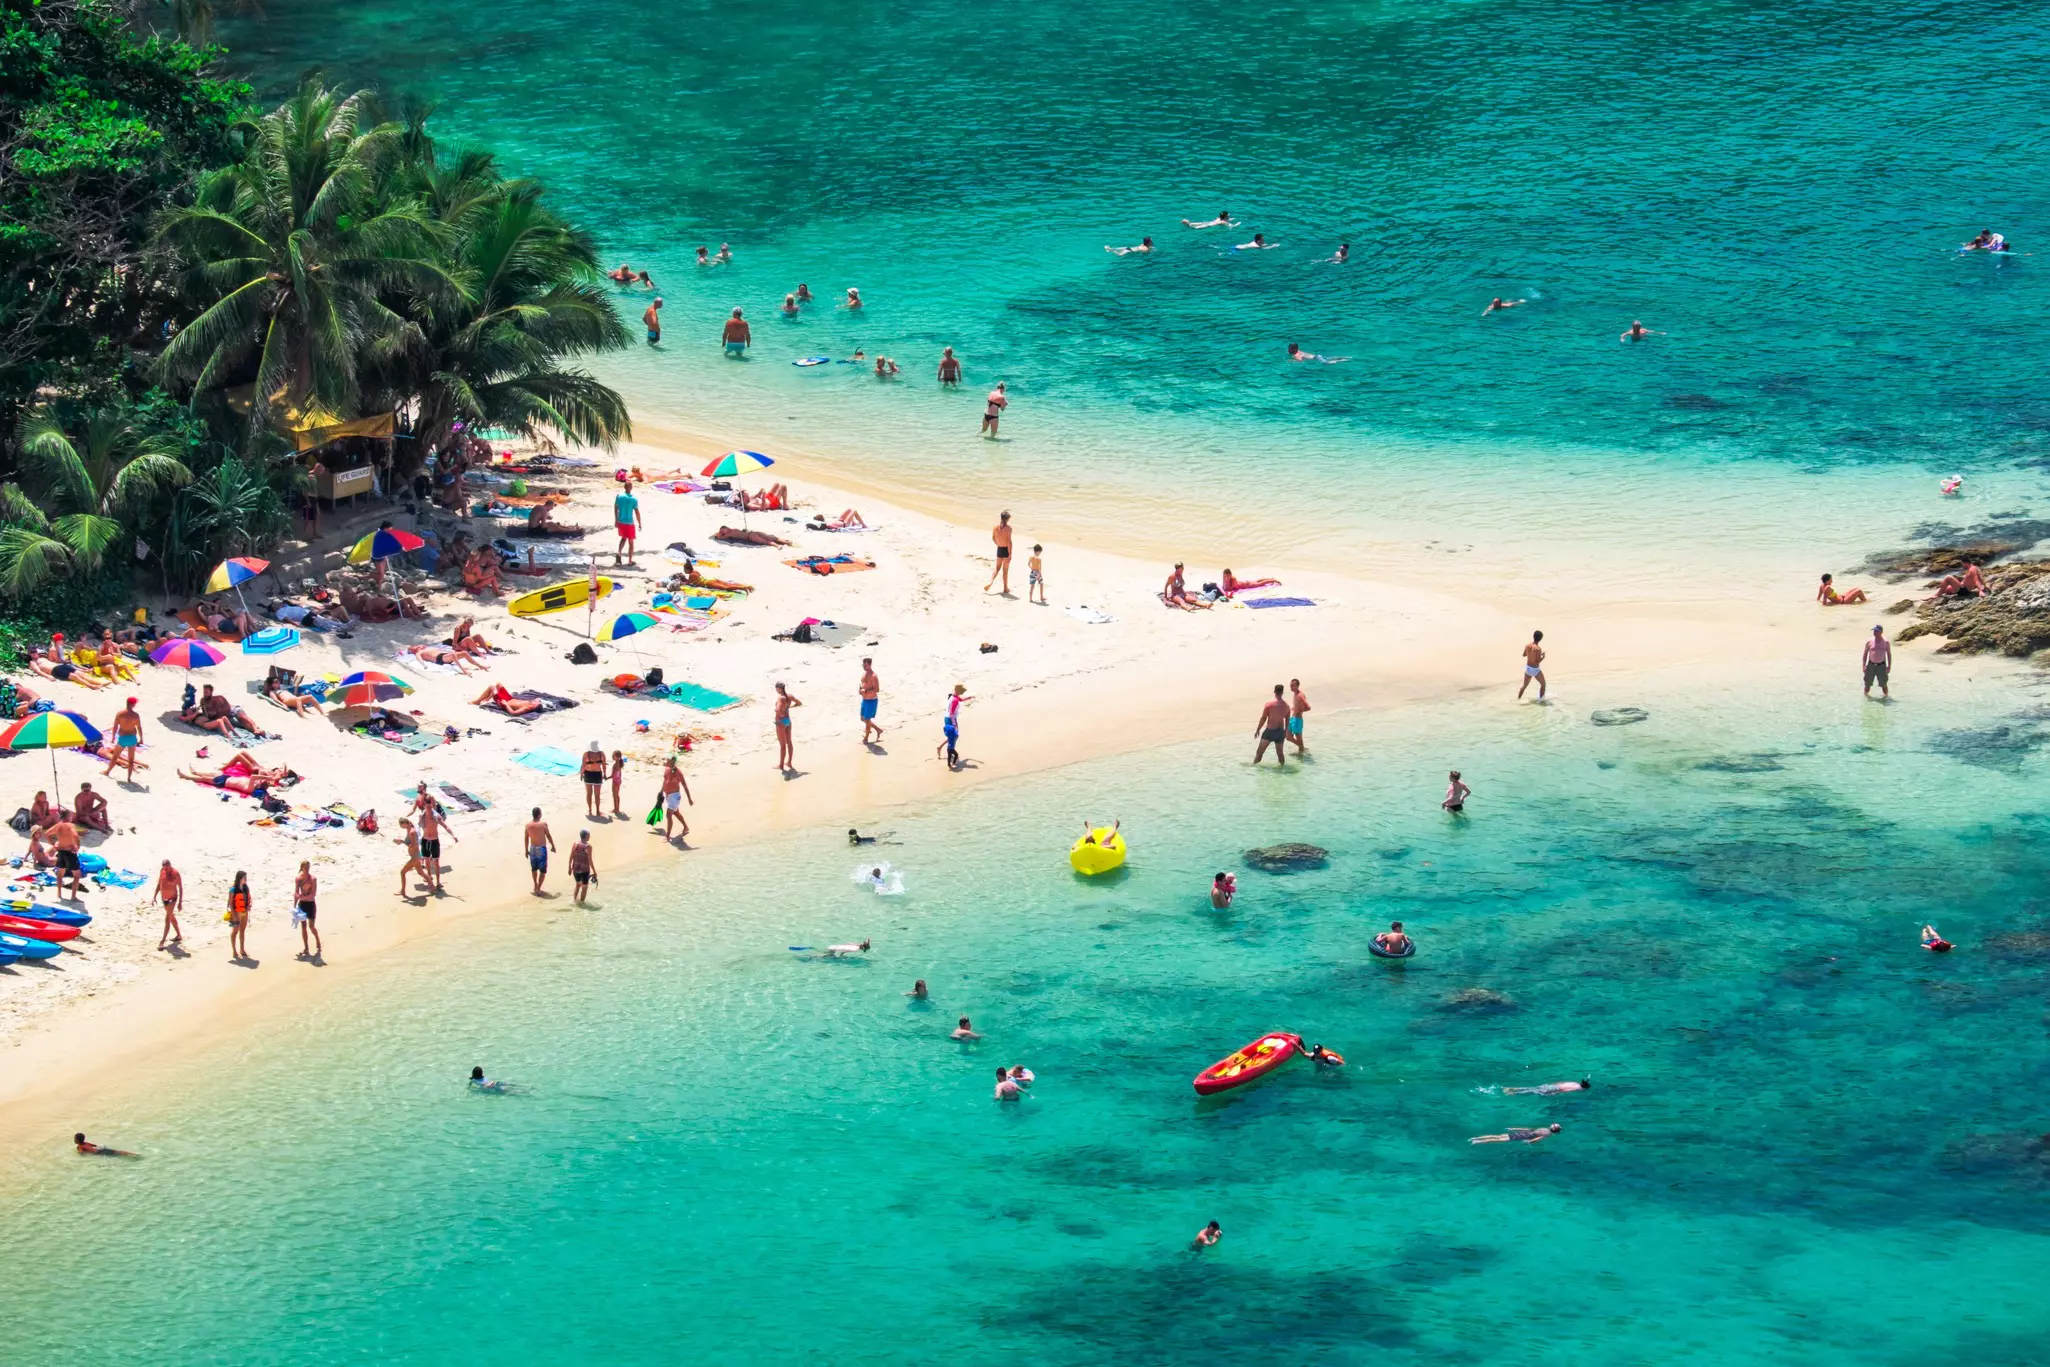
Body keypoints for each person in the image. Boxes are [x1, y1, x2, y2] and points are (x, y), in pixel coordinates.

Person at [101, 695, 143, 781]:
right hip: (132, 738)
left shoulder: (120, 714)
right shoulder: (135, 715)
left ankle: (107, 771)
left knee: (115, 757)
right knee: (131, 760)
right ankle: (129, 778)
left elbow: (115, 727)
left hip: (123, 738)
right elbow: (139, 727)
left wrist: (113, 737)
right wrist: (141, 739)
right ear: (133, 704)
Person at [419, 800, 456, 894]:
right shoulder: (422, 816)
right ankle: (429, 877)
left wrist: (453, 835)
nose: (429, 808)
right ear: (424, 806)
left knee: (436, 862)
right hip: (425, 840)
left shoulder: (436, 816)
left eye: (430, 806)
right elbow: (419, 827)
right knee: (427, 860)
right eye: (427, 807)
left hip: (434, 841)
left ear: (432, 806)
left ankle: (438, 881)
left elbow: (445, 826)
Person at [1254, 684, 1291, 767]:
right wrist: (1286, 732)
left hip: (1270, 732)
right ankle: (1282, 768)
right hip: (1280, 732)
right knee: (1280, 754)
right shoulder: (1287, 706)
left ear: (1274, 692)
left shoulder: (1269, 704)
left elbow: (1263, 718)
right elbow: (1287, 721)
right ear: (1282, 692)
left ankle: (1253, 767)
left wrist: (1258, 730)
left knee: (1259, 752)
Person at [152, 858, 183, 949]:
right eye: (164, 868)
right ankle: (179, 935)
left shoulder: (176, 874)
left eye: (167, 868)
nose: (166, 870)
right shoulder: (162, 871)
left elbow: (180, 888)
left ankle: (162, 941)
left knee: (167, 919)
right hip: (164, 898)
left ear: (170, 865)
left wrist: (180, 902)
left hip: (172, 899)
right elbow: (159, 884)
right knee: (171, 916)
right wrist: (154, 896)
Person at [292, 860, 321, 959]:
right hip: (302, 905)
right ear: (301, 868)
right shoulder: (298, 879)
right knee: (303, 927)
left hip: (311, 904)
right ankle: (306, 948)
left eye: (308, 868)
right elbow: (296, 893)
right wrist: (294, 907)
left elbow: (313, 894)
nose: (307, 870)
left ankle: (317, 940)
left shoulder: (313, 879)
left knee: (311, 926)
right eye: (305, 868)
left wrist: (301, 897)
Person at [395, 817, 429, 898]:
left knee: (402, 872)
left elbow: (413, 846)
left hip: (415, 857)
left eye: (401, 825)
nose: (401, 827)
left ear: (405, 823)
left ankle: (403, 891)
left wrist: (402, 842)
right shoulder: (410, 826)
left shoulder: (412, 831)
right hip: (416, 856)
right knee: (421, 873)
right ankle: (432, 887)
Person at [939, 684, 971, 769]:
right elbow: (952, 713)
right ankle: (950, 753)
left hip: (946, 717)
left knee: (952, 736)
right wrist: (955, 725)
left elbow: (961, 699)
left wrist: (969, 698)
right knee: (954, 735)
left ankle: (941, 747)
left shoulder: (953, 697)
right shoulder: (955, 700)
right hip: (951, 718)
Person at [659, 756, 693, 838]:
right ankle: (686, 827)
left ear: (672, 761)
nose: (666, 760)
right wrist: (661, 791)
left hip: (675, 796)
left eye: (668, 759)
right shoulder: (667, 769)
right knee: (676, 813)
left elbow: (684, 785)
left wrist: (689, 799)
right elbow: (665, 780)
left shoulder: (678, 772)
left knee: (668, 815)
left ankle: (667, 836)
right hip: (668, 796)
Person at [524, 807, 556, 893]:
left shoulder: (528, 826)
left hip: (533, 848)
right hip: (541, 849)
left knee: (534, 869)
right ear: (539, 814)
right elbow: (548, 835)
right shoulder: (543, 824)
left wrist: (526, 850)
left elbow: (526, 838)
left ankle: (535, 885)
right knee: (543, 870)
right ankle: (538, 887)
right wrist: (553, 845)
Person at [473, 683, 546, 717]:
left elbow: (513, 713)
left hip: (503, 702)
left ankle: (477, 701)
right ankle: (488, 698)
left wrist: (506, 704)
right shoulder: (531, 703)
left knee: (492, 687)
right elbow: (537, 700)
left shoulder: (526, 708)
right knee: (499, 685)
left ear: (534, 706)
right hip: (509, 698)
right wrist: (538, 700)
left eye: (537, 702)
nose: (536, 701)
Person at [984, 511, 1015, 593]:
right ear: (1007, 519)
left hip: (999, 549)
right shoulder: (1008, 528)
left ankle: (990, 582)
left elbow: (993, 538)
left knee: (997, 568)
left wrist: (999, 544)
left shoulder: (995, 527)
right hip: (1006, 550)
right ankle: (1005, 588)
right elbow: (1009, 542)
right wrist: (1010, 553)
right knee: (1005, 571)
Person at [773, 682, 800, 771]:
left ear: (779, 689)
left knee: (782, 745)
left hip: (781, 722)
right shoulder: (789, 696)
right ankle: (789, 762)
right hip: (788, 720)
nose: (776, 690)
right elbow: (799, 703)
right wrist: (788, 708)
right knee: (789, 742)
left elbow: (777, 710)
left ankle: (781, 765)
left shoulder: (781, 698)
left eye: (776, 688)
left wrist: (779, 713)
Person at [614, 480, 642, 567]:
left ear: (624, 487)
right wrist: (640, 523)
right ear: (631, 488)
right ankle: (630, 561)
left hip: (621, 521)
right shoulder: (633, 499)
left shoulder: (619, 496)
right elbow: (637, 512)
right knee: (631, 543)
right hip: (629, 523)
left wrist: (616, 519)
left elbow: (615, 508)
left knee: (623, 538)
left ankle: (619, 552)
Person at [225, 870, 252, 961]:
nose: (246, 879)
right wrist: (234, 915)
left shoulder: (245, 887)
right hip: (237, 912)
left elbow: (249, 897)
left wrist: (249, 905)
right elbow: (230, 904)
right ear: (239, 878)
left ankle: (242, 949)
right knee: (235, 931)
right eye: (244, 878)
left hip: (245, 912)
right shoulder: (233, 889)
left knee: (242, 931)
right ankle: (234, 951)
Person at [1863, 624, 1892, 699]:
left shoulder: (1886, 642)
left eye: (1876, 631)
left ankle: (1886, 698)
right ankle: (1865, 699)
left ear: (1881, 632)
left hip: (1881, 666)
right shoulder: (1869, 641)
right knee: (1867, 684)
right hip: (1871, 665)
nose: (1874, 632)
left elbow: (1889, 654)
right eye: (1874, 631)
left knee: (1884, 684)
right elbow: (1865, 653)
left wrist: (1889, 666)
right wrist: (1864, 665)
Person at [859, 657, 884, 743]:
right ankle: (878, 730)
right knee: (863, 718)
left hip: (871, 701)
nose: (864, 667)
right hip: (864, 700)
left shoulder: (874, 676)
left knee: (867, 719)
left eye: (866, 665)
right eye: (863, 665)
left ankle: (866, 738)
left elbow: (877, 690)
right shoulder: (864, 674)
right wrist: (860, 690)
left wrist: (865, 691)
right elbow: (862, 685)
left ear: (870, 665)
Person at [1517, 630, 1547, 701]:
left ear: (1533, 636)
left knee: (1524, 686)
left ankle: (1518, 699)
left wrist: (1531, 654)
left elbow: (1524, 655)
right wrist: (1543, 657)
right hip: (1535, 669)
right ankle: (1541, 701)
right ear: (1540, 639)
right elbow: (1537, 661)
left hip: (1528, 668)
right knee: (1543, 684)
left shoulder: (1527, 645)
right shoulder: (1538, 649)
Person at [570, 830, 598, 904]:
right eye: (589, 835)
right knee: (584, 888)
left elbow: (571, 856)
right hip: (584, 870)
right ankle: (582, 903)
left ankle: (574, 901)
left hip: (575, 869)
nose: (589, 836)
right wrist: (594, 872)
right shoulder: (588, 846)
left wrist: (569, 867)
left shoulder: (575, 844)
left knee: (578, 885)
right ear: (586, 836)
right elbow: (590, 860)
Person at [580, 741, 607, 817]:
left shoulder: (586, 754)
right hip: (598, 774)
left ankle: (590, 810)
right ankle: (598, 811)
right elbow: (604, 765)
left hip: (588, 774)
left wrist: (581, 774)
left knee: (589, 793)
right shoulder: (601, 754)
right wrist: (605, 774)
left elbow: (583, 765)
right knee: (597, 795)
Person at [1471, 1124, 1561, 1145]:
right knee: (1497, 1140)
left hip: (1520, 1133)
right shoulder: (1548, 1134)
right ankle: (1476, 1141)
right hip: (1520, 1136)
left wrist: (1513, 1129)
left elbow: (1528, 1129)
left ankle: (1475, 1138)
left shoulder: (1543, 1128)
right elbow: (1538, 1138)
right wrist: (1529, 1141)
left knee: (1496, 1136)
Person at [1287, 678, 1311, 755]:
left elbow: (1308, 707)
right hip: (1293, 718)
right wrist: (1295, 708)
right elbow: (1298, 705)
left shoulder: (1300, 695)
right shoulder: (1295, 694)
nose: (1291, 687)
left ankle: (1301, 753)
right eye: (1290, 685)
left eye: (1293, 685)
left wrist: (1299, 711)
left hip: (1297, 719)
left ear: (1297, 686)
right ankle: (1302, 748)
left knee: (1299, 739)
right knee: (1288, 737)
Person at [1502, 1077, 1591, 1095]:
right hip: (1553, 1089)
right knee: (1532, 1091)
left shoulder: (1575, 1083)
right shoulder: (1577, 1088)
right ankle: (1513, 1092)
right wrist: (1555, 1093)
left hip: (1551, 1085)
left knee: (1533, 1088)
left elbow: (1560, 1083)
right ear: (1584, 1088)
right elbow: (1564, 1090)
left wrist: (1552, 1085)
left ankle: (1511, 1088)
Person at [609, 750, 627, 816]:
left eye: (613, 755)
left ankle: (616, 809)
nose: (612, 756)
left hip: (615, 781)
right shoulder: (619, 762)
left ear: (616, 756)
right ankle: (617, 808)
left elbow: (613, 775)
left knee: (614, 795)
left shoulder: (616, 764)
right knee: (617, 795)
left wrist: (606, 778)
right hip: (619, 781)